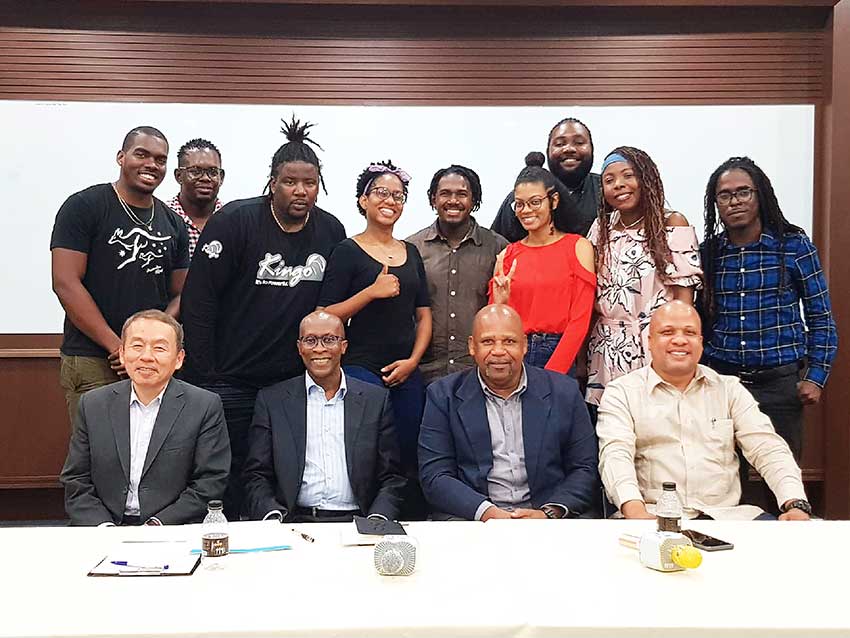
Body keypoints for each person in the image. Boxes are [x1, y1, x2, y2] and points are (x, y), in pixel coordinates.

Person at [180, 116, 346, 519]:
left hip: (292, 383)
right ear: (273, 182)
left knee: (285, 472)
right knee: (230, 472)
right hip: (230, 378)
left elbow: (331, 310)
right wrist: (206, 374)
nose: (300, 191)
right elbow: (199, 302)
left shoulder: (330, 231)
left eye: (309, 182)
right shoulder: (235, 222)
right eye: (290, 181)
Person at [597, 300, 811, 521]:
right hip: (651, 516)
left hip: (728, 518)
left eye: (689, 332)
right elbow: (615, 455)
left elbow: (768, 448)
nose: (679, 340)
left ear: (700, 342)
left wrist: (794, 502)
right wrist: (634, 510)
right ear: (649, 341)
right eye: (667, 332)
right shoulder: (622, 392)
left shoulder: (728, 389)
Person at [50, 126, 190, 428]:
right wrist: (118, 347)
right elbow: (65, 283)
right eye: (142, 154)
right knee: (98, 460)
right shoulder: (84, 206)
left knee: (148, 456)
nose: (151, 164)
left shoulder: (174, 223)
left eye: (160, 159)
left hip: (149, 360)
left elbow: (181, 292)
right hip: (95, 357)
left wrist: (151, 340)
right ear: (121, 157)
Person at [700, 156, 837, 462]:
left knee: (781, 476)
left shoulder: (794, 245)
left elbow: (821, 317)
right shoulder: (709, 253)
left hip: (780, 383)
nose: (734, 201)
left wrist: (815, 376)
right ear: (716, 204)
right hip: (724, 381)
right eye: (725, 195)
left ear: (760, 194)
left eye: (743, 192)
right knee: (725, 480)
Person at [318, 160, 431, 519]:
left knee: (410, 450)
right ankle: (366, 517)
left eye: (398, 195)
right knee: (368, 450)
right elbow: (324, 315)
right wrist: (371, 292)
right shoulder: (347, 251)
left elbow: (424, 314)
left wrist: (413, 361)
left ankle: (408, 520)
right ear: (363, 200)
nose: (390, 201)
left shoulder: (411, 252)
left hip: (407, 368)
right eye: (381, 193)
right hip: (361, 368)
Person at [419, 304, 598, 521]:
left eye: (509, 341)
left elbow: (584, 468)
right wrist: (487, 512)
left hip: (546, 520)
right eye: (488, 341)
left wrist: (548, 513)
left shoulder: (564, 392)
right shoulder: (443, 396)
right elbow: (435, 476)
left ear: (524, 345)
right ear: (472, 346)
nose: (498, 351)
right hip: (472, 521)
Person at [60, 310, 230, 526]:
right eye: (137, 346)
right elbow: (76, 480)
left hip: (171, 528)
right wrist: (104, 528)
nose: (146, 356)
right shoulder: (93, 404)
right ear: (122, 353)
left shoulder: (204, 406)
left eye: (159, 348)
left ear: (179, 359)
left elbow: (210, 482)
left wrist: (156, 525)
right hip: (104, 528)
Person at [243, 311, 406, 523]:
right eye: (310, 340)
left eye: (329, 339)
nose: (319, 348)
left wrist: (377, 519)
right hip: (292, 523)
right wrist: (273, 517)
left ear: (344, 346)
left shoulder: (375, 401)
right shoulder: (272, 401)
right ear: (300, 348)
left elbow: (392, 477)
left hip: (358, 523)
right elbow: (256, 475)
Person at [585, 146, 703, 408]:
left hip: (657, 346)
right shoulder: (600, 227)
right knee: (612, 432)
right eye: (609, 180)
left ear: (646, 178)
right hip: (606, 349)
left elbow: (684, 298)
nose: (619, 185)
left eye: (628, 175)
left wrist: (678, 347)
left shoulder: (671, 222)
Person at [490, 153, 596, 374]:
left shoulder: (578, 246)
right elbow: (495, 321)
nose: (526, 210)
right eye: (519, 204)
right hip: (514, 353)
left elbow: (580, 319)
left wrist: (553, 373)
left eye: (535, 202)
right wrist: (499, 302)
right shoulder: (507, 254)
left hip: (559, 351)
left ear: (554, 201)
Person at [407, 164, 508, 384]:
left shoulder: (498, 248)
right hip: (424, 372)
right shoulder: (411, 248)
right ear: (433, 199)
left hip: (479, 372)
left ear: (474, 201)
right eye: (445, 194)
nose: (453, 201)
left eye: (462, 194)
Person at [491, 117, 600, 241]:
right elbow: (497, 244)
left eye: (579, 142)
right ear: (548, 152)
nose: (569, 148)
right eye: (560, 144)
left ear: (592, 149)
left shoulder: (606, 192)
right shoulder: (522, 197)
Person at [167, 138, 225, 258]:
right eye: (195, 171)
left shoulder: (233, 219)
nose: (205, 178)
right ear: (179, 176)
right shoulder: (162, 217)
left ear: (221, 177)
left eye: (213, 172)